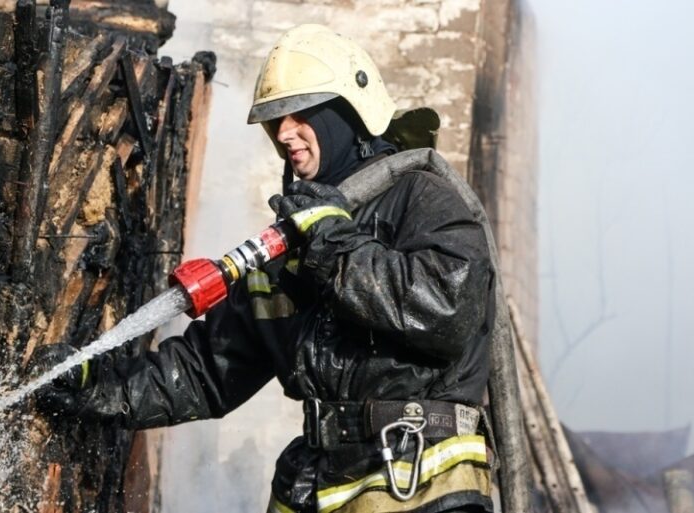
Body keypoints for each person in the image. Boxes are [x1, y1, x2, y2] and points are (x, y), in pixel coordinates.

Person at [32, 24, 498, 513]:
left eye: (301, 114)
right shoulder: (293, 242)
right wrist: (102, 388)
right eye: (276, 119)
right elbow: (210, 370)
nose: (284, 133)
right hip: (321, 484)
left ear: (346, 111)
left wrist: (331, 245)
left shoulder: (421, 198)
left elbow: (447, 310)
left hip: (422, 487)